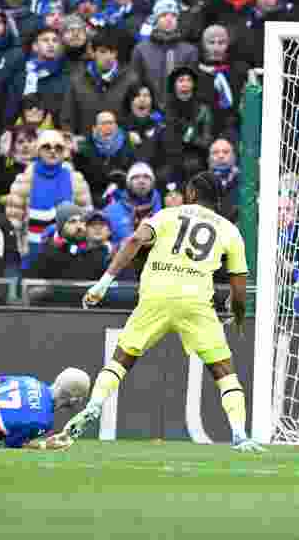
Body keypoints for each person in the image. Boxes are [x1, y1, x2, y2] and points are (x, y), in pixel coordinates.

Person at [64, 172, 261, 452]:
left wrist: (104, 283)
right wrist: (239, 317)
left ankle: (95, 405)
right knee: (223, 371)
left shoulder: (167, 215)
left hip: (155, 295)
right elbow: (239, 289)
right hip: (195, 302)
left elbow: (133, 241)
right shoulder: (230, 231)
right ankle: (240, 435)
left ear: (191, 193)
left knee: (122, 359)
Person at [0, 368, 90, 449]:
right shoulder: (43, 421)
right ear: (74, 399)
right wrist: (46, 445)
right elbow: (10, 445)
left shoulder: (27, 381)